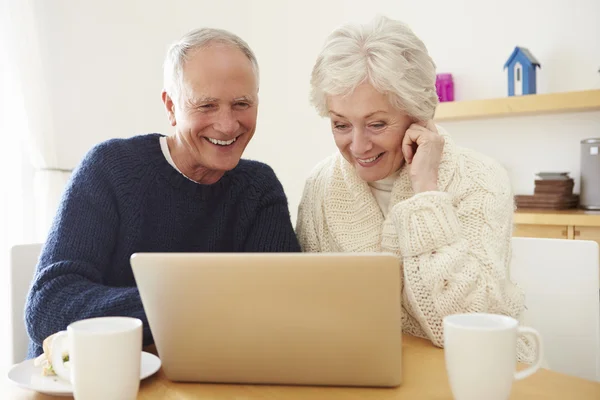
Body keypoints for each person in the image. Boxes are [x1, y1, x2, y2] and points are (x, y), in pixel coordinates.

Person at [25, 27, 301, 358]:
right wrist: (185, 304)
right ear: (170, 107)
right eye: (207, 105)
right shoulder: (110, 169)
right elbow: (50, 305)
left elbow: (282, 311)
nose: (228, 125)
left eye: (241, 103)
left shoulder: (259, 188)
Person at [296, 16, 532, 361]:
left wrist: (426, 192)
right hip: (360, 372)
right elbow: (308, 310)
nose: (358, 146)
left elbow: (472, 323)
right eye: (341, 124)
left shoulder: (480, 178)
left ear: (417, 113)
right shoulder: (321, 185)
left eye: (377, 124)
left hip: (472, 371)